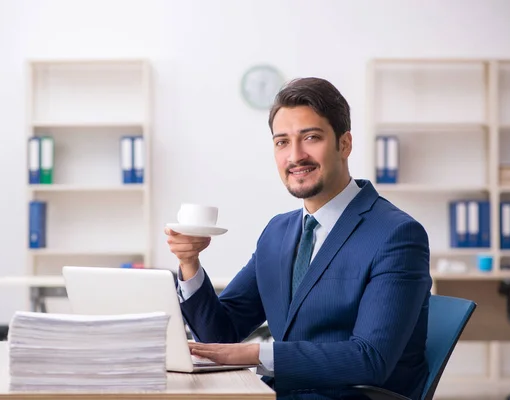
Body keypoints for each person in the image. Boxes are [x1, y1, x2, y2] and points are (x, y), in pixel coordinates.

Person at [165, 77, 431, 400]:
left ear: (344, 144)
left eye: (311, 137)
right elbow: (221, 336)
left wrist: (256, 354)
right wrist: (189, 264)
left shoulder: (396, 235)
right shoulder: (277, 233)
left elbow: (370, 358)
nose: (295, 156)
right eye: (282, 142)